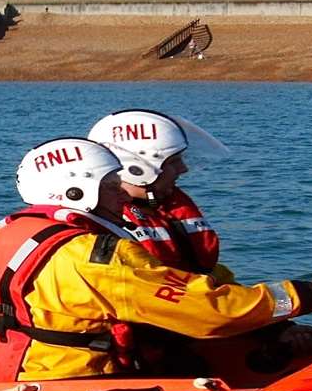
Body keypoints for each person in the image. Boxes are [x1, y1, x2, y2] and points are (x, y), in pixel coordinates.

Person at [0, 138, 312, 382]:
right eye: (112, 184)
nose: (121, 193)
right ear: (77, 191)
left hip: (5, 384)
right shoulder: (99, 258)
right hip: (77, 387)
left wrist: (30, 329)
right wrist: (310, 294)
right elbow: (208, 312)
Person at [87, 109, 227, 279]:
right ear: (136, 169)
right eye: (174, 162)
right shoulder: (99, 227)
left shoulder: (162, 208)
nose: (183, 169)